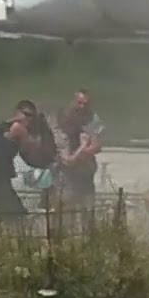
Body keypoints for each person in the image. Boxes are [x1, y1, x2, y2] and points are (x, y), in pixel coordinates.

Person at [0, 101, 41, 220]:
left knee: (8, 212)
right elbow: (30, 148)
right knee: (15, 214)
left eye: (31, 117)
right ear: (18, 112)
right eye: (26, 114)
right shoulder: (17, 128)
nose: (28, 119)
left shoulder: (4, 126)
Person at [56, 90, 104, 224]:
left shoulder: (93, 119)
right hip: (65, 171)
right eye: (79, 103)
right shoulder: (64, 117)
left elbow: (95, 145)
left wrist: (78, 155)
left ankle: (86, 235)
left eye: (85, 104)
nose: (82, 106)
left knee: (87, 207)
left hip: (84, 169)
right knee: (65, 206)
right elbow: (58, 140)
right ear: (73, 101)